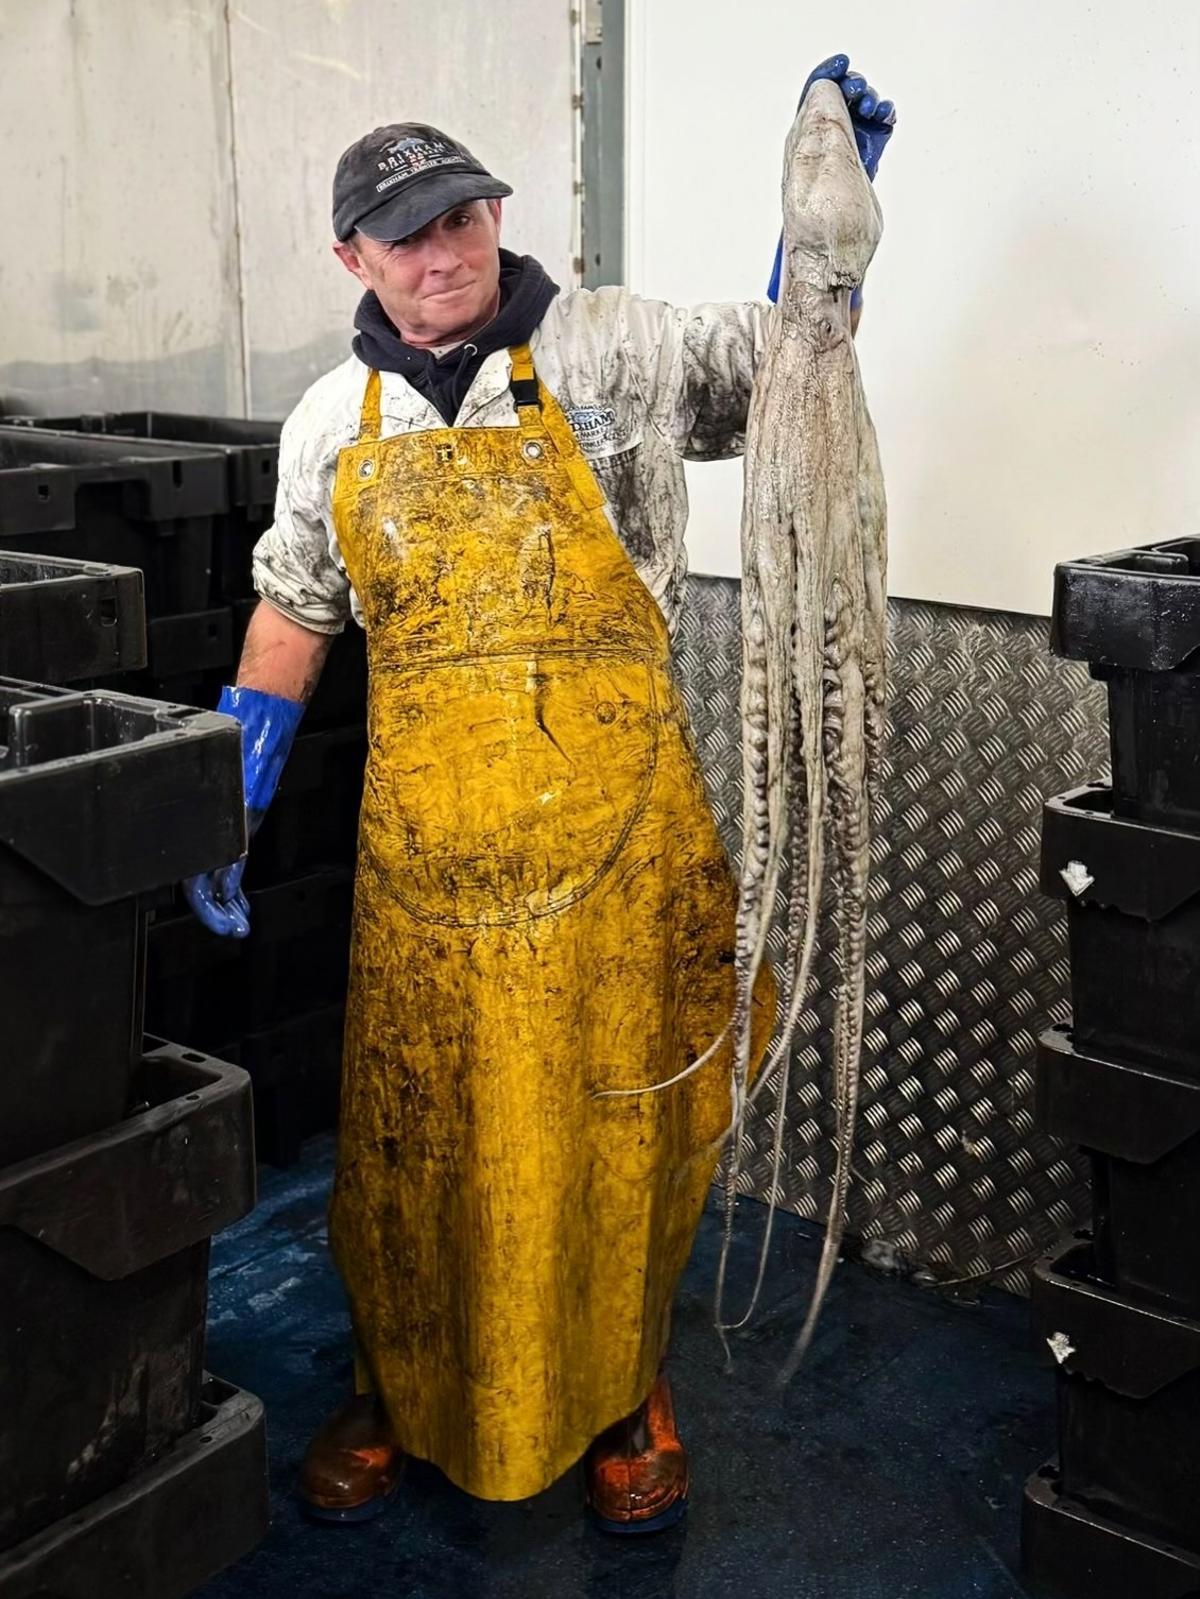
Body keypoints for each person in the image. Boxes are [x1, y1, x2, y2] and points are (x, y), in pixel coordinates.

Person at [184, 55, 895, 1532]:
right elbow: (298, 604)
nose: (444, 254)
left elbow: (788, 371)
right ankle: (396, 1385)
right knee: (408, 1142)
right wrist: (232, 779)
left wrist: (826, 225)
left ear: (499, 216)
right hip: (427, 863)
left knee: (623, 1134)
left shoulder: (618, 348)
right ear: (355, 260)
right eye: (407, 235)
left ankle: (630, 1388)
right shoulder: (331, 423)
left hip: (619, 840)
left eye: (464, 218)